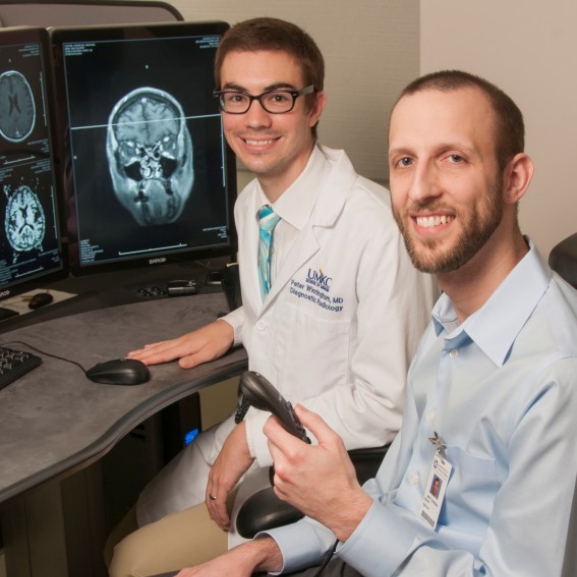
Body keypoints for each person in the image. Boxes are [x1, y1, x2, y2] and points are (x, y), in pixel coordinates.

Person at [169, 70, 577, 577]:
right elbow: (392, 492)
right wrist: (267, 553)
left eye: (453, 158)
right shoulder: (450, 317)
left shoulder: (557, 376)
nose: (421, 189)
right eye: (405, 162)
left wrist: (342, 508)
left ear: (514, 178)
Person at [107, 17, 436, 575]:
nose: (254, 118)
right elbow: (297, 300)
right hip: (253, 431)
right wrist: (233, 325)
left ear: (314, 106)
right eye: (237, 97)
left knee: (130, 561)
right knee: (130, 520)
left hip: (326, 465)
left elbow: (389, 404)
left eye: (277, 97)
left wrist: (252, 438)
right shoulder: (252, 206)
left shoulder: (377, 230)